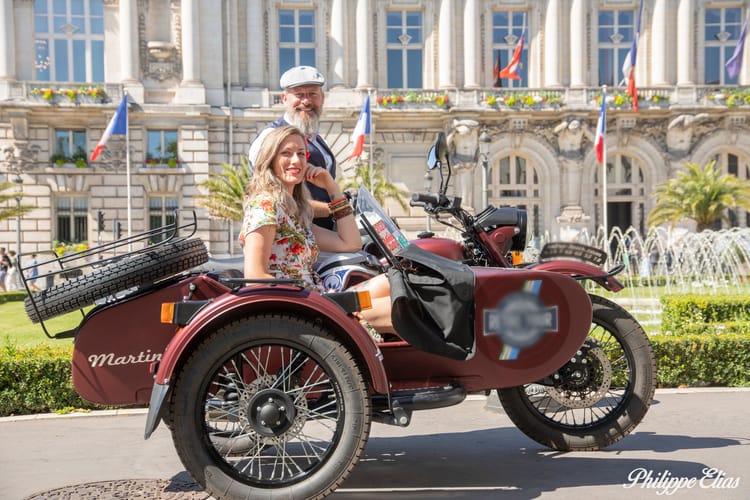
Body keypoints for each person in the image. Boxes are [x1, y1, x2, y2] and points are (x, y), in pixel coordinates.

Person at [240, 125, 393, 340]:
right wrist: (312, 298)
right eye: (286, 153)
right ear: (270, 161)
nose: (296, 161)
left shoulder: (292, 211)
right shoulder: (265, 205)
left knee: (394, 282)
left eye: (301, 154)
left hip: (318, 297)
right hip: (303, 307)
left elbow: (350, 243)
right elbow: (255, 277)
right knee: (399, 308)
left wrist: (333, 189)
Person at [248, 65, 337, 229]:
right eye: (299, 95)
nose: (306, 101)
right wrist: (336, 209)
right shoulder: (271, 137)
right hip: (292, 236)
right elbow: (273, 197)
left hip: (319, 236)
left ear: (322, 97)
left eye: (312, 94)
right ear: (284, 98)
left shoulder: (315, 138)